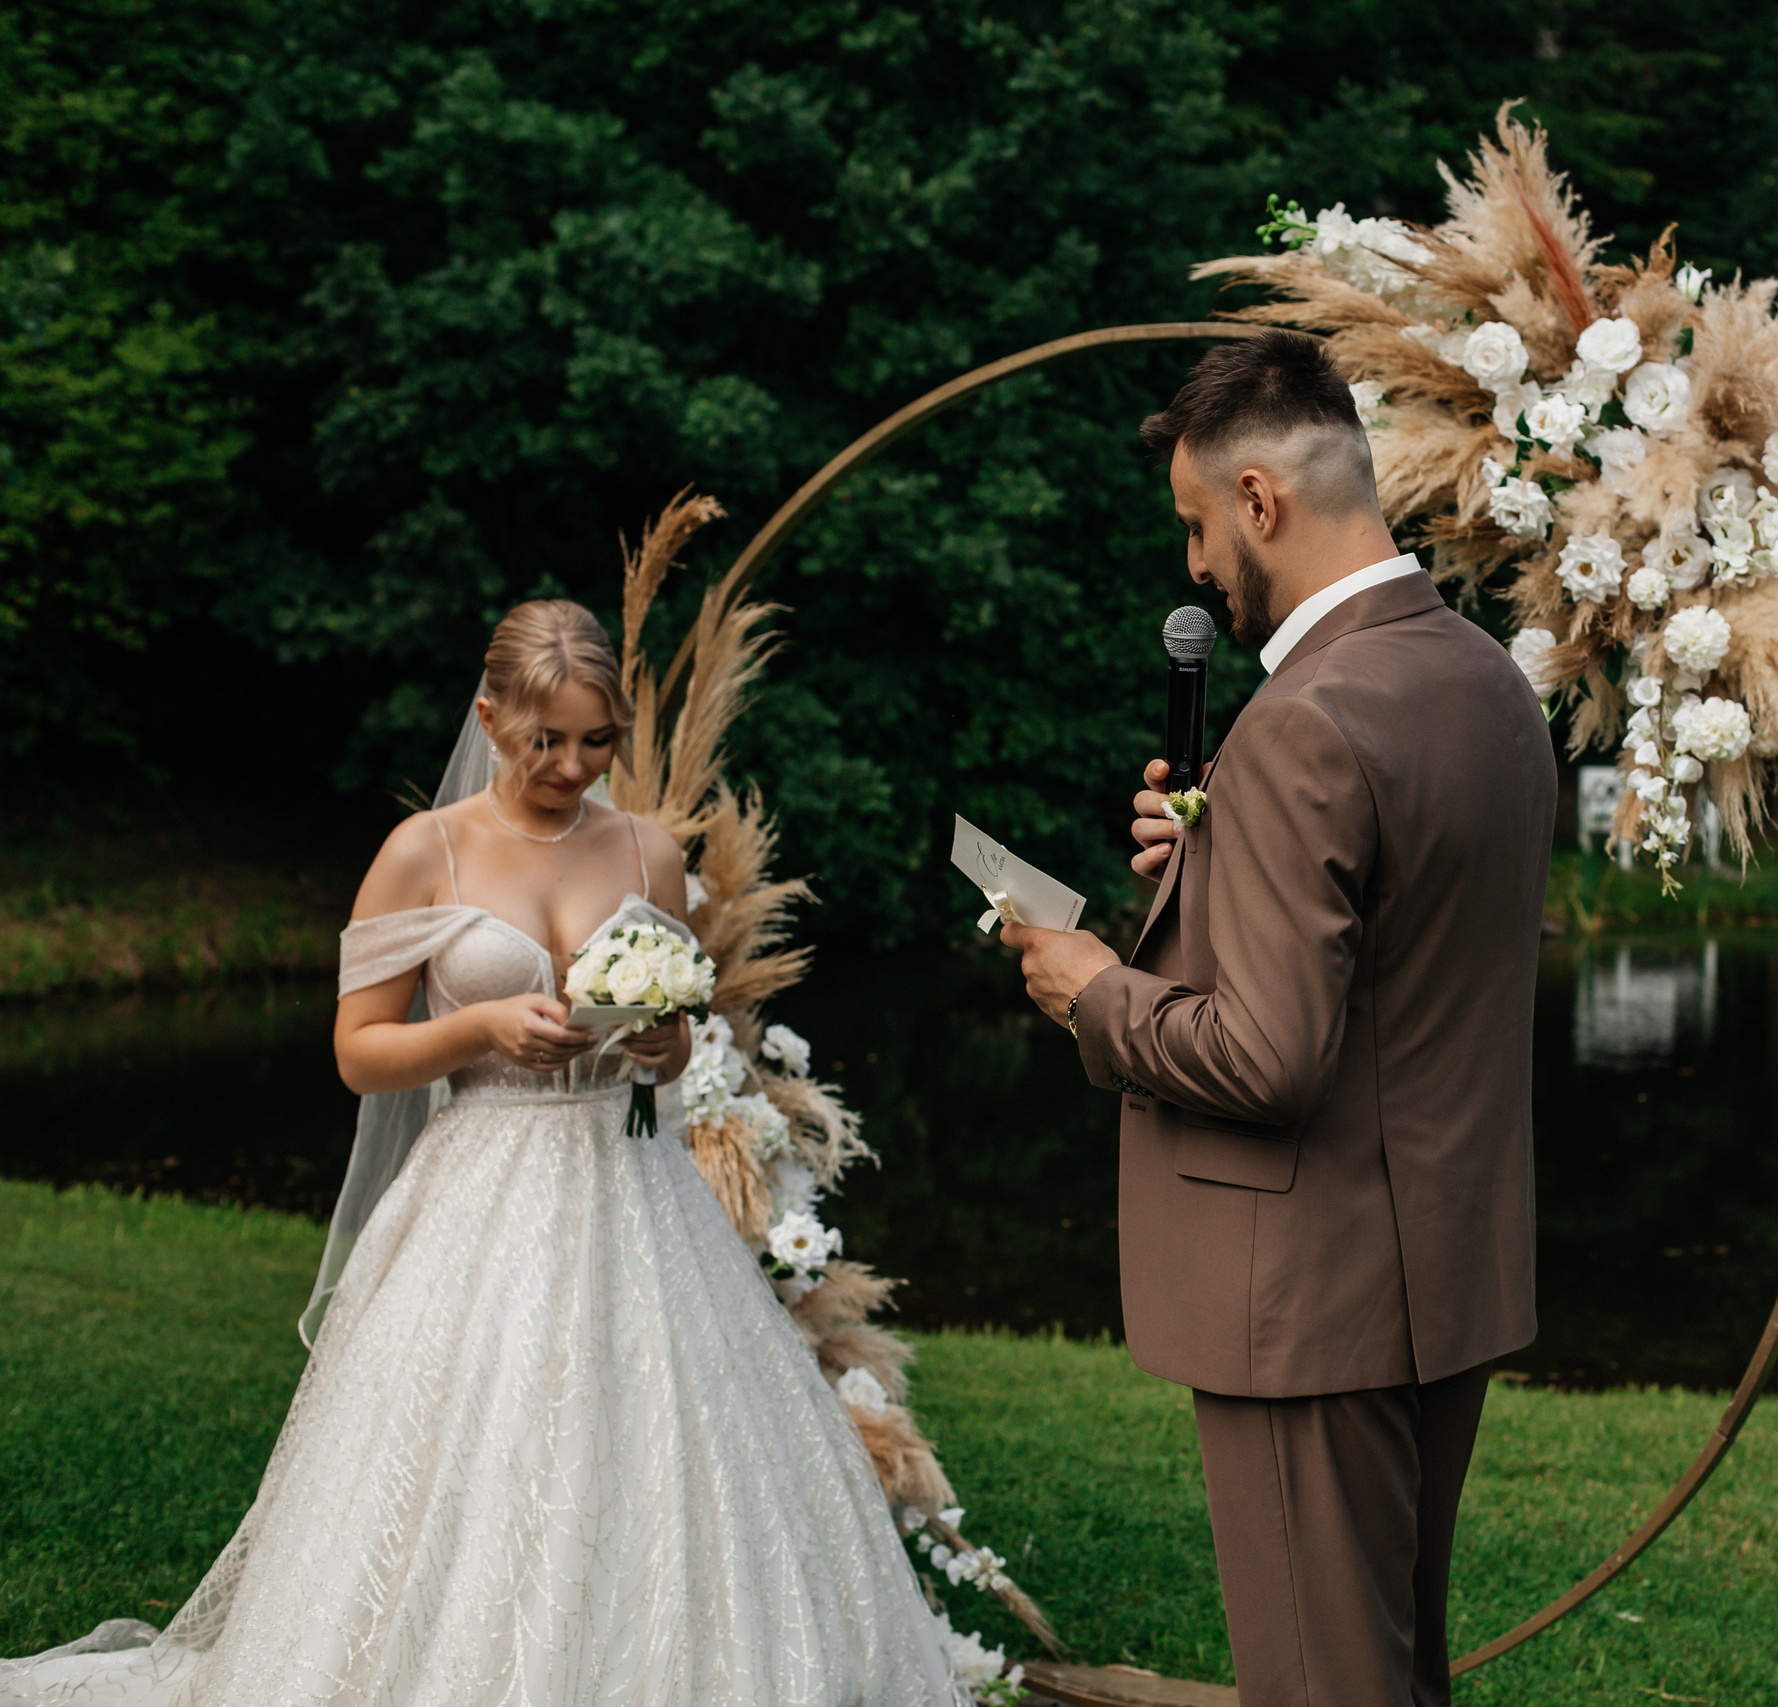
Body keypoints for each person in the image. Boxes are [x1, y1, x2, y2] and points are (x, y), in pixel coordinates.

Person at [1, 602, 964, 1707]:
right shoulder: (427, 851)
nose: (569, 764)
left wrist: (664, 1041)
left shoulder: (646, 851)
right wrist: (478, 1029)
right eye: (542, 739)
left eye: (595, 740)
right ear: (488, 717)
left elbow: (673, 1042)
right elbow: (359, 1053)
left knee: (659, 1440)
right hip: (482, 1187)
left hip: (635, 1192)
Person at [1004, 332, 1554, 1707]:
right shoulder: (1485, 681)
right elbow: (1407, 941)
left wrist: (1094, 989)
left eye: (1198, 526)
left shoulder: (1300, 721)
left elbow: (1268, 1054)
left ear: (1259, 502)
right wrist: (1209, 859)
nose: (1195, 568)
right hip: (1440, 1270)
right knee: (1391, 1670)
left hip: (1305, 1290)